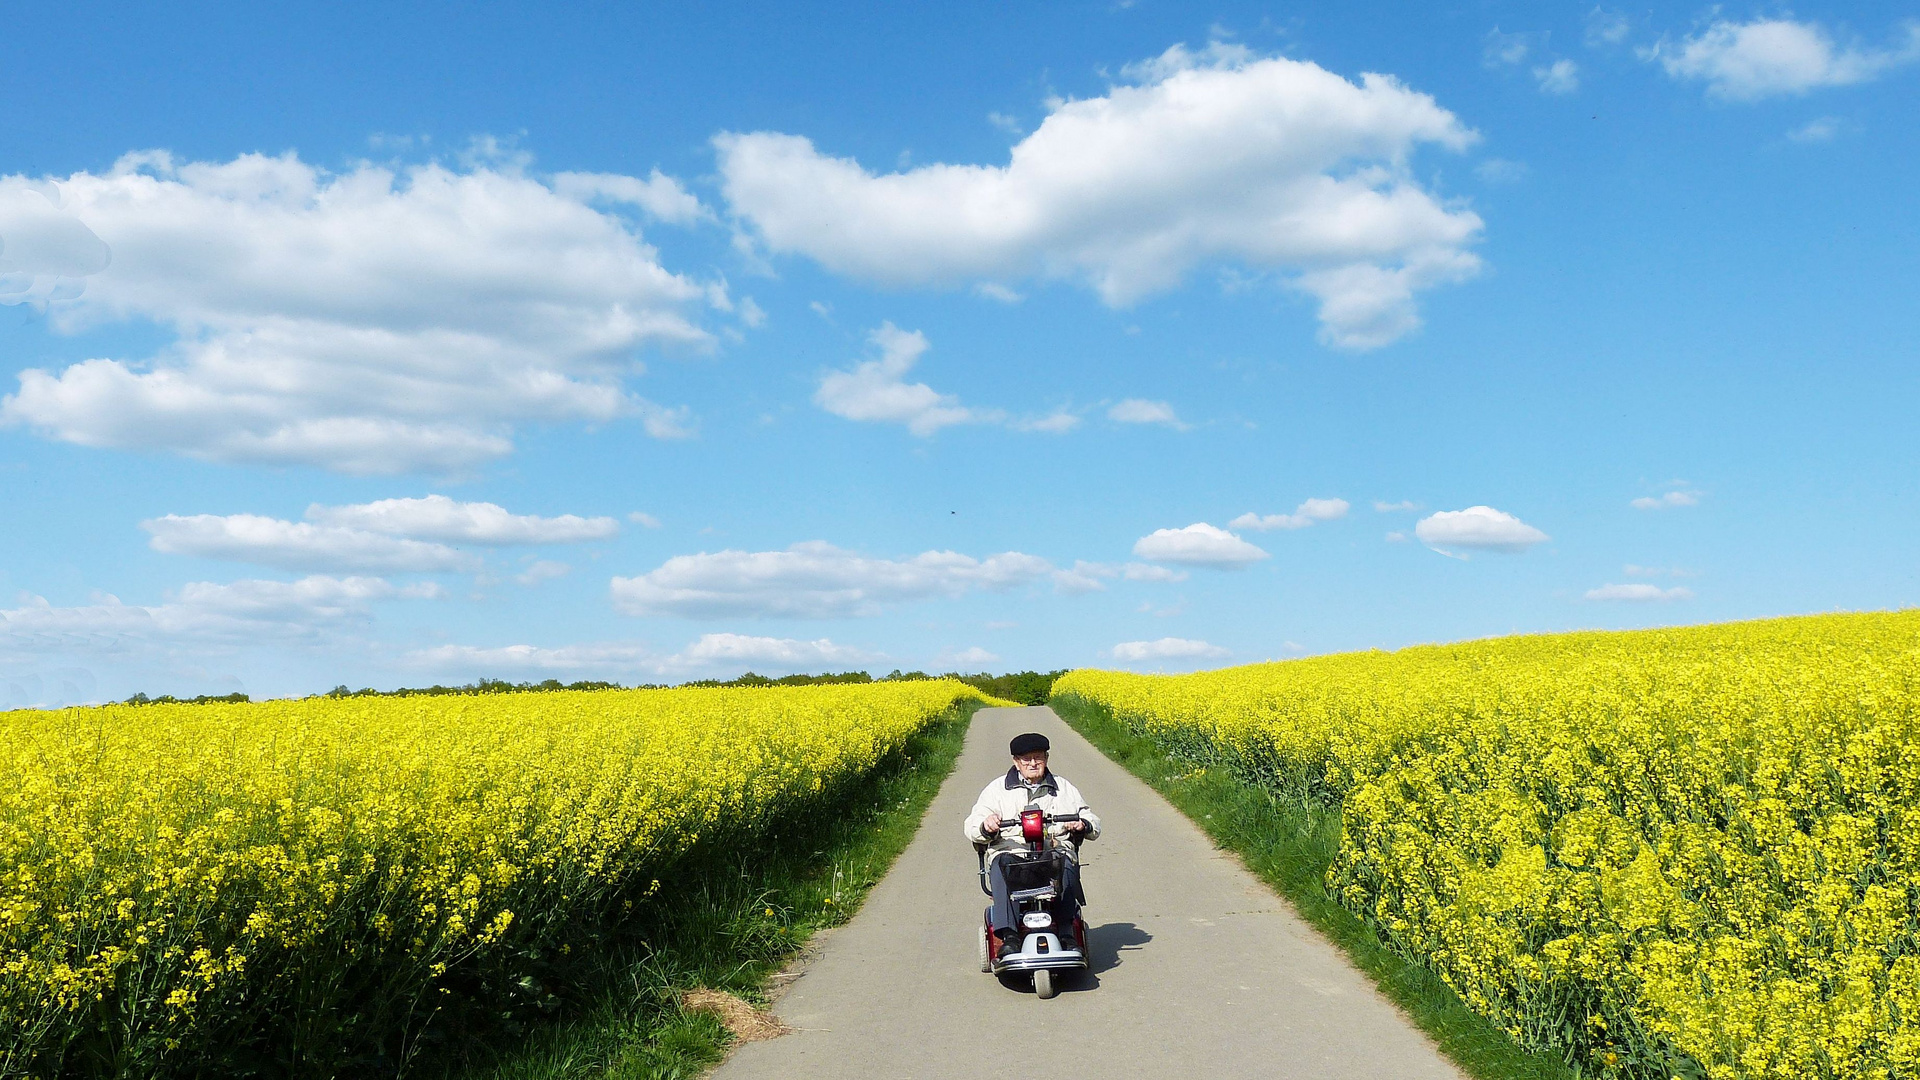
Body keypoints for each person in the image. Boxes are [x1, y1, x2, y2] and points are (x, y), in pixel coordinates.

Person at [962, 732, 1101, 961]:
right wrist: (986, 826)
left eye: (1038, 757)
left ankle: (1067, 933)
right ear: (1016, 762)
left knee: (1064, 862)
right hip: (1013, 853)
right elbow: (972, 825)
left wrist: (1082, 824)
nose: (1033, 763)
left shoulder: (1063, 788)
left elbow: (1092, 820)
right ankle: (1009, 937)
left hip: (1052, 851)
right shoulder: (997, 790)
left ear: (1046, 758)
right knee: (1000, 863)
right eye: (1026, 759)